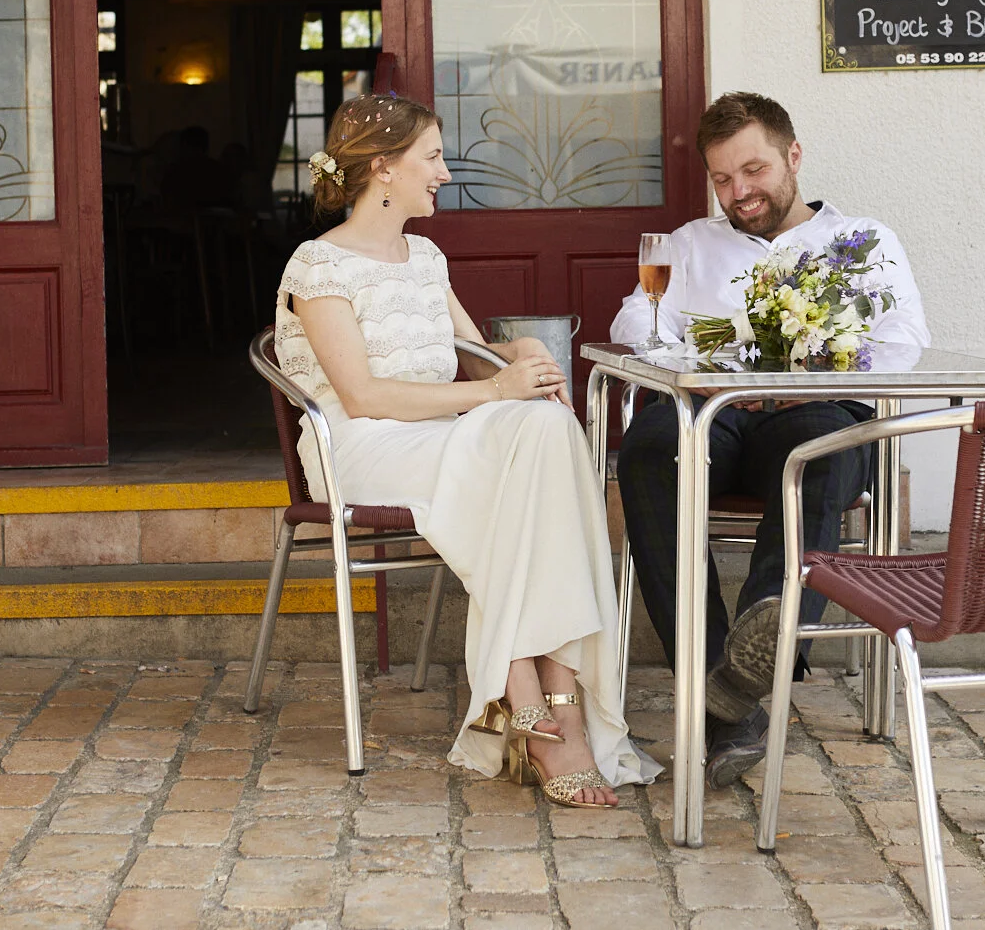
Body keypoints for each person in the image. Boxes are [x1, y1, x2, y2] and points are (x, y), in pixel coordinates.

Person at [275, 93, 658, 808]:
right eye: (433, 157)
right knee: (517, 440)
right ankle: (546, 697)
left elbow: (476, 356)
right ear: (383, 167)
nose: (445, 173)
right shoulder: (318, 264)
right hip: (360, 446)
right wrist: (494, 391)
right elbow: (361, 396)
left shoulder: (424, 255)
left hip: (439, 436)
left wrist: (518, 353)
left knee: (544, 426)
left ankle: (539, 694)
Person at [611, 92, 930, 786]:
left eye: (752, 171)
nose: (740, 193)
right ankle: (722, 680)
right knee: (646, 454)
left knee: (818, 451)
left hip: (812, 408)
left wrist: (819, 359)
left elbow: (902, 340)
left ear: (793, 155)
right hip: (715, 407)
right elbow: (636, 321)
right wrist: (718, 339)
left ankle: (746, 680)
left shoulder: (863, 239)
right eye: (722, 179)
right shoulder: (691, 244)